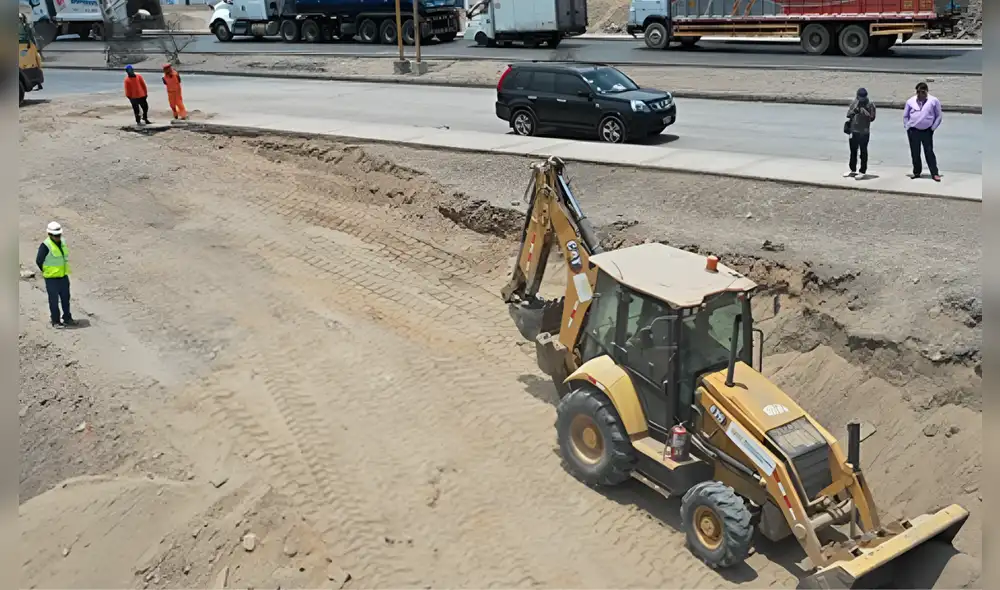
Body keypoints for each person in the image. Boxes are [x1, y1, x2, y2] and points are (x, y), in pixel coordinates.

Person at [35, 221, 76, 328]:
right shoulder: (45, 245)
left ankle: (67, 318)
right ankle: (55, 321)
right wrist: (46, 271)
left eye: (59, 235)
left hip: (63, 276)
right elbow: (39, 260)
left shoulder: (62, 242)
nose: (58, 237)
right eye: (56, 235)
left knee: (66, 299)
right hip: (51, 279)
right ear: (49, 234)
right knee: (53, 301)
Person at [903, 81, 943, 182]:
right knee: (915, 152)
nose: (920, 94)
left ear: (926, 92)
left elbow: (939, 116)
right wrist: (907, 127)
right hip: (913, 130)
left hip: (927, 131)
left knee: (929, 152)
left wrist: (933, 128)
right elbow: (905, 115)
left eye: (922, 92)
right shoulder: (910, 101)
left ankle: (934, 173)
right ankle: (917, 172)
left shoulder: (933, 101)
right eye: (918, 92)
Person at [843, 87, 877, 179]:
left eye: (863, 97)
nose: (861, 99)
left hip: (864, 132)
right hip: (854, 130)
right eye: (860, 97)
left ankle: (862, 171)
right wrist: (854, 111)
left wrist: (865, 112)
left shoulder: (870, 105)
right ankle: (852, 170)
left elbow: (872, 118)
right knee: (853, 151)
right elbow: (848, 114)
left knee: (863, 152)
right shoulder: (854, 103)